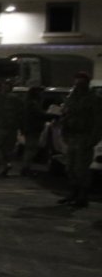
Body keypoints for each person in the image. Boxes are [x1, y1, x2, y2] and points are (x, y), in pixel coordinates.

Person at [58, 72, 102, 208]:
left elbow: (98, 121)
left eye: (81, 82)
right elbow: (66, 115)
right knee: (70, 167)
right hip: (72, 136)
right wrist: (64, 130)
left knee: (81, 169)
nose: (77, 85)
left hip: (84, 137)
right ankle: (73, 193)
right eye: (76, 82)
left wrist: (93, 139)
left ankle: (82, 196)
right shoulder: (72, 98)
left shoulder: (93, 99)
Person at [0, 80, 24, 176]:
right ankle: (7, 164)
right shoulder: (16, 99)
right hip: (13, 128)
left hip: (0, 127)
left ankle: (5, 164)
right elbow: (22, 113)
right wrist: (22, 127)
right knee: (8, 149)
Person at [18, 85, 46, 176]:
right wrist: (52, 115)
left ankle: (26, 167)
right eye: (40, 92)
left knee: (30, 149)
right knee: (31, 149)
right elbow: (39, 114)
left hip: (30, 128)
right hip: (32, 129)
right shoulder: (32, 104)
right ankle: (26, 168)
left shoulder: (29, 103)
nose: (42, 94)